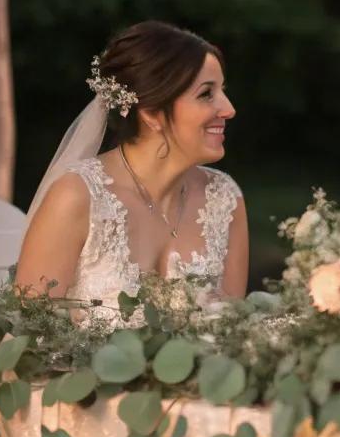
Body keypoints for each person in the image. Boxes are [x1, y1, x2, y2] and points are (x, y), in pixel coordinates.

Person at [17, 21, 248, 319]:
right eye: (206, 94)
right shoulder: (76, 196)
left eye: (222, 91)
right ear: (152, 114)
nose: (229, 109)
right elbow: (29, 334)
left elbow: (234, 331)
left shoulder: (225, 199)